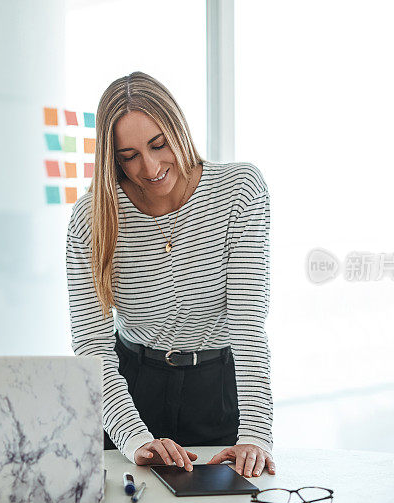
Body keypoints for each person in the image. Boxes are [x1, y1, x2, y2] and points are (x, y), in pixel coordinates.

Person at [65, 71, 275, 478]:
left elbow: (248, 322)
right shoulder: (91, 219)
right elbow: (91, 343)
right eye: (128, 156)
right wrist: (132, 437)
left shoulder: (240, 192)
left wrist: (256, 433)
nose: (150, 167)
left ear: (178, 128)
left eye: (159, 145)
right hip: (130, 388)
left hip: (214, 387)